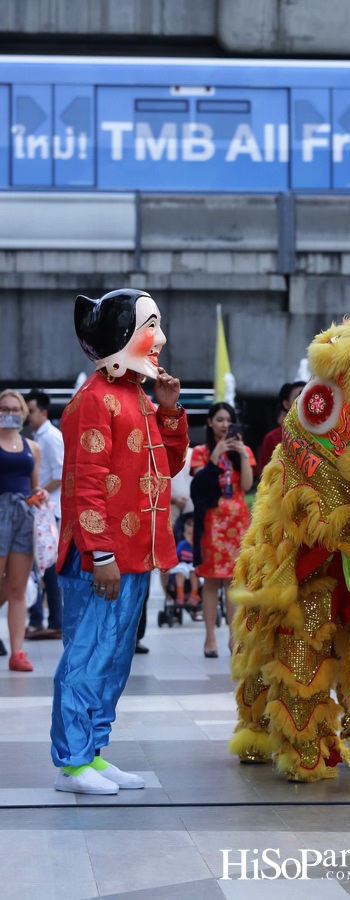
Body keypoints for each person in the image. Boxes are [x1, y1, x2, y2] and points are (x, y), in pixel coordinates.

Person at [51, 288, 188, 794]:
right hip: (100, 557)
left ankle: (92, 750)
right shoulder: (94, 399)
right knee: (86, 657)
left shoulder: (138, 396)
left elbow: (166, 466)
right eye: (151, 327)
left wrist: (170, 412)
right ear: (123, 335)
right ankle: (72, 762)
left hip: (133, 554)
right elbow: (86, 483)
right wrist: (101, 553)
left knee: (114, 659)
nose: (161, 338)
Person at [190, 402, 255, 657]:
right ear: (209, 422)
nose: (224, 425)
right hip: (211, 522)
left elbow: (247, 485)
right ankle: (209, 638)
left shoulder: (244, 451)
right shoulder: (201, 452)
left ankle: (232, 637)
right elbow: (201, 485)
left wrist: (242, 455)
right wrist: (215, 456)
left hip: (237, 522)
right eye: (219, 419)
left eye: (229, 420)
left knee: (232, 580)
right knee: (210, 580)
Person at [0, 389, 48, 670]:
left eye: (14, 409)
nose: (9, 414)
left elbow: (34, 485)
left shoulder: (33, 447)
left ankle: (17, 652)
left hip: (25, 514)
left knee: (18, 587)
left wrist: (41, 492)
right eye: (4, 409)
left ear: (23, 413)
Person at [25, 389, 64, 640]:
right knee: (36, 566)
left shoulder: (50, 437)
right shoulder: (39, 436)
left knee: (48, 568)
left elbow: (60, 475)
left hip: (50, 511)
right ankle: (38, 620)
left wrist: (37, 494)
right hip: (41, 510)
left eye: (30, 411)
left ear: (43, 412)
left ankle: (54, 622)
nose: (27, 416)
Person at [258, 381, 305, 474]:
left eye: (308, 396)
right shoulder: (272, 437)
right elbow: (265, 477)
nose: (304, 401)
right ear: (286, 404)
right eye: (298, 397)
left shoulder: (323, 435)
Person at [172, 516, 201, 607]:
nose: (192, 536)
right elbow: (176, 556)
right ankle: (180, 594)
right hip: (184, 564)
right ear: (184, 534)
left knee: (193, 572)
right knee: (180, 571)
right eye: (189, 533)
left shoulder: (199, 545)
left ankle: (194, 594)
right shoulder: (182, 544)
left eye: (194, 534)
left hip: (195, 565)